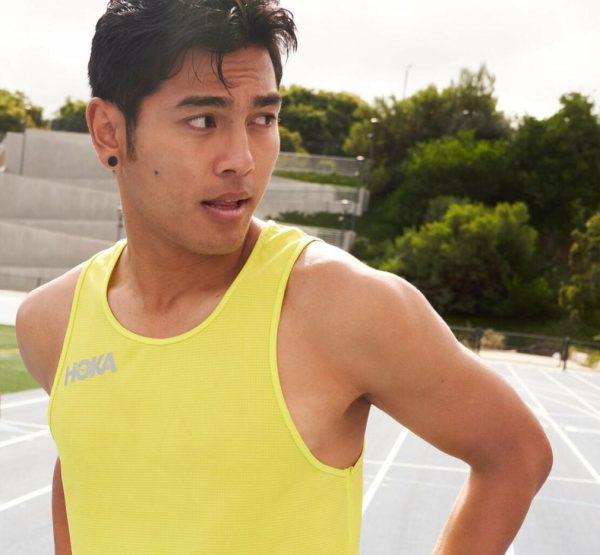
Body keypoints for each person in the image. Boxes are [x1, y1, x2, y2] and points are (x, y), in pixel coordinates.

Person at [15, 1, 552, 553]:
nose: (242, 159)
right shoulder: (51, 322)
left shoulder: (340, 304)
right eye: (204, 120)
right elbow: (81, 476)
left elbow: (516, 453)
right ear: (109, 132)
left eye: (263, 119)